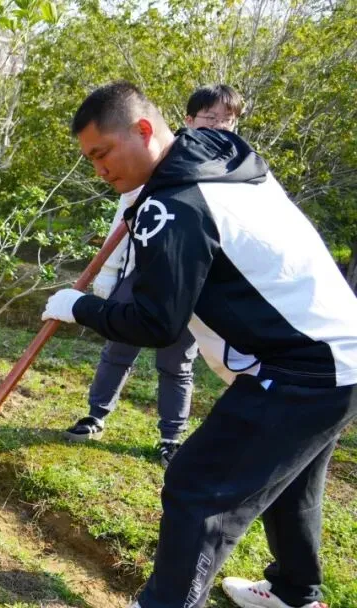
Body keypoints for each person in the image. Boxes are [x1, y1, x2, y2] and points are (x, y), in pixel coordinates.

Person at [42, 81, 357, 608]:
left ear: (144, 130)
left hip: (304, 366)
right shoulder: (219, 150)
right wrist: (141, 193)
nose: (99, 171)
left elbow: (156, 323)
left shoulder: (174, 206)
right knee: (293, 481)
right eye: (90, 160)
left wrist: (80, 308)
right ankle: (294, 593)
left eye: (102, 153)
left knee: (197, 488)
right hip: (340, 345)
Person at [63, 84, 246, 469]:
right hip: (139, 274)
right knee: (118, 346)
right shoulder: (149, 167)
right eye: (210, 118)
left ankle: (170, 437)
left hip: (194, 287)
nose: (219, 126)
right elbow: (122, 224)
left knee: (177, 362)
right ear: (189, 120)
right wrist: (107, 277)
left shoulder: (230, 172)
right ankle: (96, 414)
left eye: (227, 120)